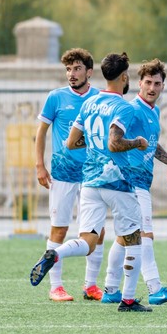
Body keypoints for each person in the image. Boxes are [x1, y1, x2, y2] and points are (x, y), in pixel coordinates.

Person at [30, 52, 151, 312]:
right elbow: (115, 143)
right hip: (116, 181)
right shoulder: (124, 107)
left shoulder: (90, 104)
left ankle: (58, 254)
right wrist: (138, 143)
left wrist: (95, 145)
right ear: (124, 76)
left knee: (89, 240)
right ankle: (128, 300)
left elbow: (71, 142)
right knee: (133, 237)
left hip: (91, 181)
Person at [101, 59, 167, 305]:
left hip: (138, 182)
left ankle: (109, 289)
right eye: (148, 82)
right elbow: (115, 140)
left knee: (124, 237)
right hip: (132, 182)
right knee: (145, 234)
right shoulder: (132, 109)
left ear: (163, 86)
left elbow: (150, 142)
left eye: (157, 83)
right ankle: (155, 288)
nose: (152, 87)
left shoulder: (154, 111)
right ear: (139, 83)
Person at [35, 48, 105, 302]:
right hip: (62, 174)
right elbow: (41, 132)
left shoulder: (99, 98)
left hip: (93, 175)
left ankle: (91, 286)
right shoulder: (56, 97)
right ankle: (56, 287)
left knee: (97, 231)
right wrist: (39, 165)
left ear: (89, 71)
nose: (71, 74)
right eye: (68, 69)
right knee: (60, 229)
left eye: (76, 69)